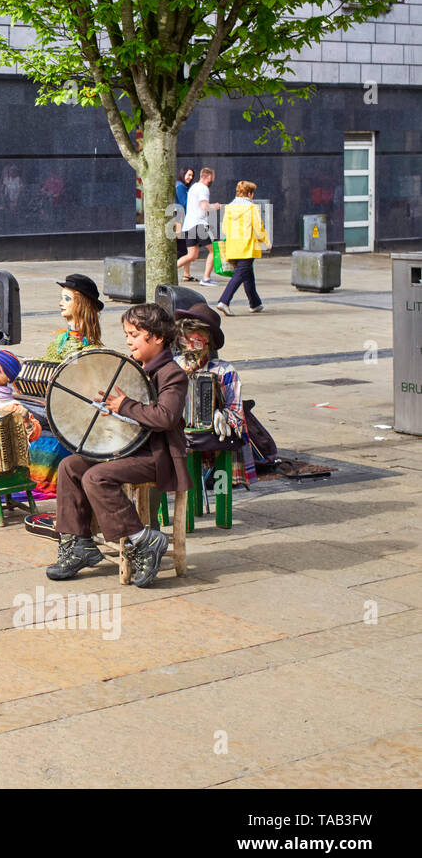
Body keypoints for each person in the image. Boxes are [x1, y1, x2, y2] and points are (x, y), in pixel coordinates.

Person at [46, 303, 189, 588]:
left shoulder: (172, 374)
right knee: (70, 466)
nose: (128, 340)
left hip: (155, 457)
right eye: (126, 334)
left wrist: (126, 405)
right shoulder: (134, 368)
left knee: (96, 476)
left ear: (157, 338)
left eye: (134, 334)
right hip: (127, 449)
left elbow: (166, 417)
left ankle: (142, 539)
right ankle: (79, 544)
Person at [175, 303, 256, 485]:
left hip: (215, 439)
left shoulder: (225, 370)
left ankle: (220, 497)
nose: (189, 347)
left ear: (208, 342)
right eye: (183, 341)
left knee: (222, 478)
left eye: (195, 342)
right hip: (180, 436)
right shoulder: (174, 366)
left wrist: (222, 415)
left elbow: (236, 411)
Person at [215, 180, 268, 316]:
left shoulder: (230, 207)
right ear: (249, 193)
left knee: (247, 274)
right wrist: (266, 242)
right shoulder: (252, 208)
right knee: (240, 274)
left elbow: (225, 229)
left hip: (233, 246)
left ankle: (255, 303)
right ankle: (224, 301)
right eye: (252, 193)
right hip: (247, 246)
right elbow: (258, 227)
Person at [182, 166, 223, 287]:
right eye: (212, 179)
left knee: (192, 255)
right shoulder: (203, 188)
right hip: (199, 224)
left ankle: (167, 272)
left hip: (189, 224)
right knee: (214, 250)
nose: (212, 182)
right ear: (208, 177)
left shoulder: (194, 187)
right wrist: (214, 206)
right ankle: (206, 278)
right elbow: (204, 206)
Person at [173, 166, 195, 281]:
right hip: (181, 221)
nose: (190, 178)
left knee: (186, 249)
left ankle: (186, 274)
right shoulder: (181, 187)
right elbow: (184, 204)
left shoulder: (179, 185)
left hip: (180, 220)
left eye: (192, 175)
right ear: (183, 174)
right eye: (188, 175)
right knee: (183, 250)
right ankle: (171, 269)